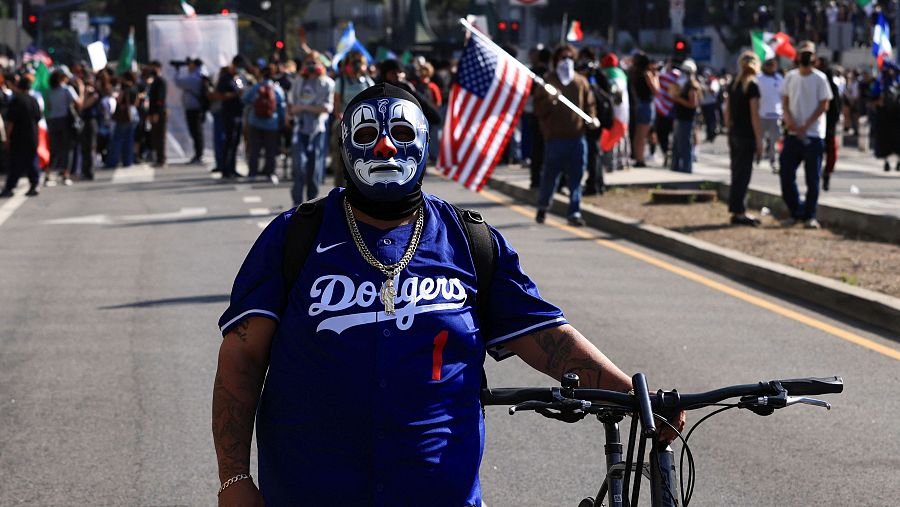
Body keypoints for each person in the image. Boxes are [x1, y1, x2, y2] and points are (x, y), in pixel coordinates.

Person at [211, 82, 684, 506]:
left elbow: (547, 339)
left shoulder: (470, 240)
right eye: (366, 136)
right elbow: (241, 360)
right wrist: (233, 479)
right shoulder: (292, 236)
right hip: (308, 493)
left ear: (424, 144)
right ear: (343, 146)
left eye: (400, 131)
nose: (384, 145)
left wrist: (636, 396)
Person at [534, 44, 598, 226]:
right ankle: (543, 206)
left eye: (570, 57)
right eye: (563, 57)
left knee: (576, 177)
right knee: (550, 176)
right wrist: (550, 101)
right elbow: (539, 109)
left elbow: (590, 104)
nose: (566, 61)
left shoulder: (580, 81)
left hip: (577, 138)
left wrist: (592, 118)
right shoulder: (548, 81)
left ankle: (574, 211)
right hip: (555, 139)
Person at [779, 41, 833, 229]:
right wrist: (790, 122)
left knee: (812, 178)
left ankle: (810, 215)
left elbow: (823, 104)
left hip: (814, 134)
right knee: (786, 173)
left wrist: (807, 124)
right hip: (793, 133)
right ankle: (796, 211)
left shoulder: (820, 78)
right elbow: (785, 102)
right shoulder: (791, 77)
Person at [289, 50, 334, 204]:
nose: (311, 66)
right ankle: (296, 203)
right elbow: (292, 107)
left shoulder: (327, 83)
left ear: (321, 65)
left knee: (314, 168)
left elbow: (327, 108)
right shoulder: (298, 82)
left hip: (317, 129)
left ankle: (312, 203)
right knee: (299, 166)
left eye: (314, 63)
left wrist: (305, 108)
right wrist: (305, 108)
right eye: (308, 63)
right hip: (299, 129)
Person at [725, 52, 763, 226]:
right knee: (743, 174)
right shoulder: (752, 86)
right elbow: (754, 115)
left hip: (734, 133)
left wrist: (729, 130)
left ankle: (736, 209)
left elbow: (727, 111)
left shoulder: (734, 84)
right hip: (746, 134)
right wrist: (759, 139)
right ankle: (739, 211)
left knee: (736, 172)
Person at [332, 51, 375, 187]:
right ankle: (340, 192)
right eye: (353, 63)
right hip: (345, 124)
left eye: (359, 63)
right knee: (342, 162)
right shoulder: (341, 82)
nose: (356, 66)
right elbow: (337, 105)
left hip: (364, 127)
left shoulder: (367, 81)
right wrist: (340, 115)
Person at [241, 65, 287, 184]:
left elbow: (244, 99)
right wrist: (282, 122)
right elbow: (281, 106)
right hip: (272, 123)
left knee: (254, 149)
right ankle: (270, 173)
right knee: (270, 150)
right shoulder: (277, 89)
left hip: (255, 122)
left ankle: (252, 173)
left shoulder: (257, 87)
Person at [1, 75, 42, 197]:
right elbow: (38, 118)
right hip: (32, 135)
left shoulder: (16, 100)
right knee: (32, 160)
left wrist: (7, 137)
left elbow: (10, 122)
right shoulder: (33, 100)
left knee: (15, 163)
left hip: (18, 137)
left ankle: (10, 187)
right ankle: (34, 184)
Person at [46, 69, 83, 186]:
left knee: (54, 148)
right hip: (65, 121)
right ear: (63, 78)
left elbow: (50, 106)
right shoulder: (67, 89)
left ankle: (49, 173)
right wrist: (81, 89)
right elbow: (79, 103)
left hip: (53, 120)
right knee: (68, 148)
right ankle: (66, 174)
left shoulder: (50, 91)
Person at [214, 55, 247, 179]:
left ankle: (232, 168)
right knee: (229, 141)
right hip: (229, 113)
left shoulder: (239, 78)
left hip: (239, 113)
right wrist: (234, 94)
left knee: (236, 142)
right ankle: (225, 169)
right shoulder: (225, 78)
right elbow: (218, 95)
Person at [174, 58, 208, 164]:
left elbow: (179, 82)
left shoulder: (195, 77)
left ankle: (199, 155)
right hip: (196, 108)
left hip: (194, 109)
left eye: (190, 64)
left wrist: (177, 71)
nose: (188, 67)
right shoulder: (201, 75)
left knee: (196, 133)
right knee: (197, 132)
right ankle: (198, 154)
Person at [669, 59, 700, 173]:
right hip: (680, 118)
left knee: (685, 145)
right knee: (677, 145)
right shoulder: (682, 84)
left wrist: (678, 99)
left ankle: (686, 168)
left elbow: (693, 104)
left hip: (686, 120)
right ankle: (676, 167)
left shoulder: (691, 85)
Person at [628, 52, 658, 167]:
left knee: (638, 134)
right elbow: (656, 90)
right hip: (646, 104)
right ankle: (640, 159)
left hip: (639, 103)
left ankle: (638, 157)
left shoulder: (634, 73)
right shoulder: (647, 74)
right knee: (642, 134)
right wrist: (655, 76)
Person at [757, 58, 784, 172]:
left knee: (774, 139)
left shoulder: (779, 78)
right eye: (768, 65)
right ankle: (757, 157)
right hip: (761, 113)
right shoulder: (758, 78)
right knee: (759, 138)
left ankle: (773, 160)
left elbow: (783, 95)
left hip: (775, 114)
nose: (770, 67)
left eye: (773, 65)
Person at [654, 59, 682, 166]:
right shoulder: (681, 78)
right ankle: (672, 156)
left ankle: (667, 153)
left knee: (662, 134)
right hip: (676, 111)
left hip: (664, 111)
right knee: (674, 136)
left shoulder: (664, 77)